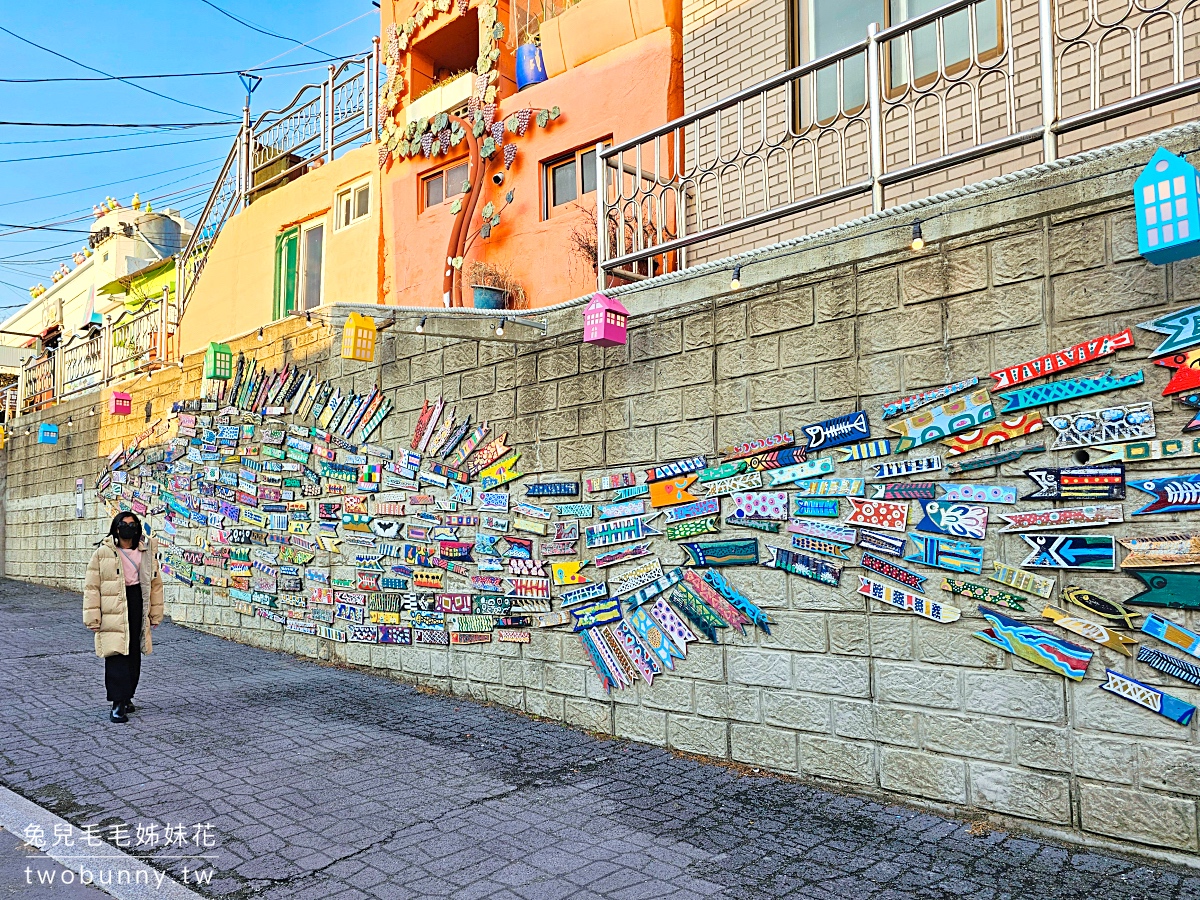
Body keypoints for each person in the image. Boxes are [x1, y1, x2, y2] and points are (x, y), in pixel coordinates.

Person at [83, 512, 164, 723]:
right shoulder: (103, 553)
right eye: (124, 524)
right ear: (116, 527)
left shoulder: (146, 552)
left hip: (137, 601)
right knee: (116, 651)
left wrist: (155, 614)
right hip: (112, 603)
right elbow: (92, 587)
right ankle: (117, 703)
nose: (129, 527)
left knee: (134, 652)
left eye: (133, 524)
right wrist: (93, 617)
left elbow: (155, 584)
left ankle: (127, 696)